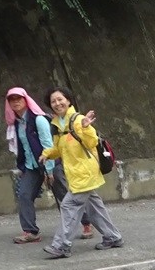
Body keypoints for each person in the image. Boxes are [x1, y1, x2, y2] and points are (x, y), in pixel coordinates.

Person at [39, 87, 125, 258]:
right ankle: (113, 237)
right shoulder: (57, 125)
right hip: (76, 174)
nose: (57, 103)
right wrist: (47, 154)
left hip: (85, 173)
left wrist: (86, 128)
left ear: (68, 100)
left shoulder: (78, 120)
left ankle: (61, 245)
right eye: (53, 101)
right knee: (93, 207)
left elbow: (92, 142)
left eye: (60, 99)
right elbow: (59, 149)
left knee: (69, 206)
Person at [4, 87, 58, 244]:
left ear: (26, 100)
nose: (15, 102)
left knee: (64, 196)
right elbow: (21, 147)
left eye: (18, 99)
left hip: (49, 162)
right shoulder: (16, 123)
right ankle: (30, 231)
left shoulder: (38, 119)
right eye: (12, 100)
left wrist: (49, 171)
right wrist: (22, 167)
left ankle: (86, 223)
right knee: (24, 195)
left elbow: (48, 145)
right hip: (31, 166)